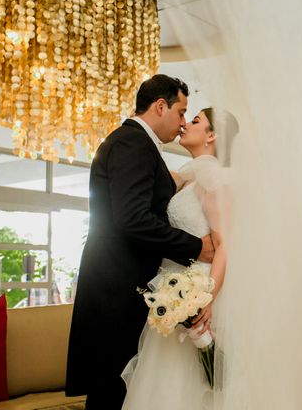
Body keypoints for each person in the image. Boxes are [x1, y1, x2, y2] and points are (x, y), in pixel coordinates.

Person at [65, 75, 217, 410]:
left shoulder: (138, 145)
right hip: (117, 290)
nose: (181, 124)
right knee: (111, 390)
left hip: (126, 288)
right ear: (160, 106)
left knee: (117, 390)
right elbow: (132, 219)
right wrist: (195, 246)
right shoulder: (132, 144)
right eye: (181, 112)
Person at [121, 107, 236, 410]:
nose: (185, 124)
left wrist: (206, 298)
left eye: (195, 120)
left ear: (212, 135)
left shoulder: (213, 180)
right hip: (174, 291)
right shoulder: (188, 177)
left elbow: (224, 245)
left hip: (200, 289)